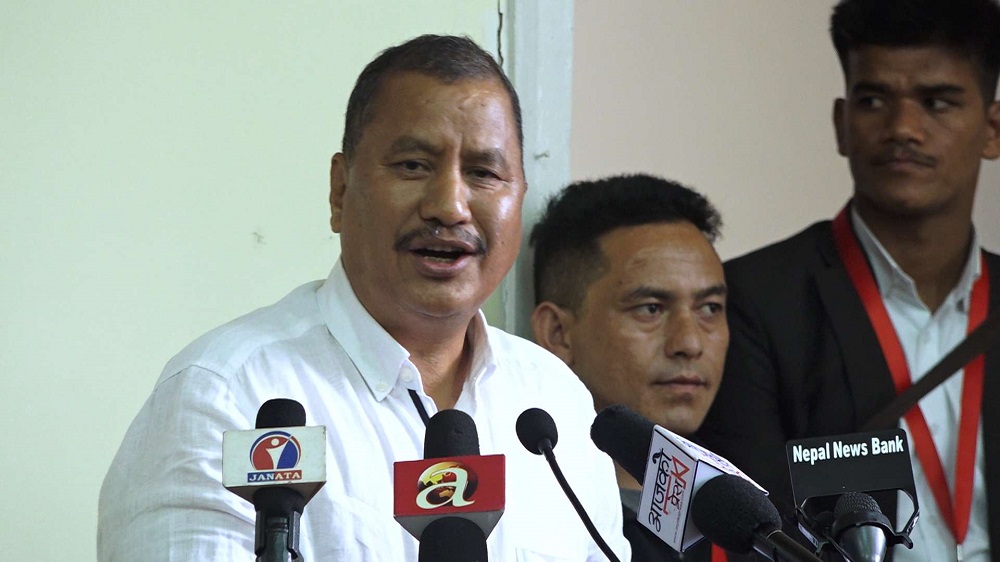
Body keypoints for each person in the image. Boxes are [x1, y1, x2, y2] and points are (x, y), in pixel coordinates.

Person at [97, 34, 629, 561]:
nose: (450, 206)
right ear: (340, 190)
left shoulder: (554, 403)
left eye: (484, 173)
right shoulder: (227, 395)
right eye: (413, 165)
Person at [696, 1, 1000, 560]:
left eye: (937, 102)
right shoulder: (753, 303)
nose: (903, 128)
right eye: (873, 101)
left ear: (993, 129)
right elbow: (752, 537)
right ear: (841, 124)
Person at [530, 174, 729, 561]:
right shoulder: (532, 523)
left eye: (710, 308)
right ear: (558, 334)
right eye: (651, 308)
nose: (690, 343)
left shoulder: (752, 520)